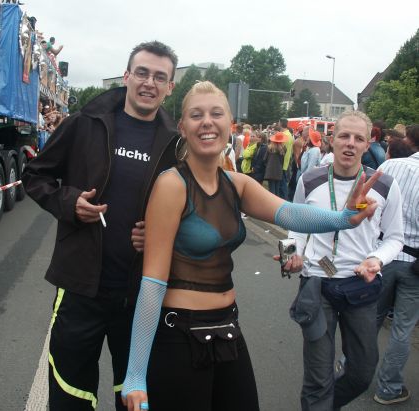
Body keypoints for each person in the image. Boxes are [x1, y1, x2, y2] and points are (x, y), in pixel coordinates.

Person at [121, 83, 382, 411]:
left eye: (216, 113)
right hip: (179, 335)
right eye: (196, 115)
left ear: (229, 123)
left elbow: (289, 213)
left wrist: (344, 218)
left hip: (228, 326)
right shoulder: (172, 184)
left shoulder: (237, 184)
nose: (207, 121)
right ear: (182, 127)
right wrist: (135, 375)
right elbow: (153, 281)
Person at [22, 41, 179, 411]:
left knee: (135, 397)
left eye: (160, 77)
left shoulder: (176, 143)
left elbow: (191, 209)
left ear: (170, 87)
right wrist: (70, 203)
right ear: (126, 76)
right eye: (142, 73)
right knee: (71, 396)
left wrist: (158, 236)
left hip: (140, 295)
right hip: (80, 288)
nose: (149, 83)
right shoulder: (85, 123)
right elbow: (35, 175)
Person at [282, 110, 404, 411]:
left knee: (362, 372)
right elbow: (296, 224)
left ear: (367, 144)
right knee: (318, 377)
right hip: (317, 282)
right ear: (332, 139)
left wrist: (376, 258)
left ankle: (322, 404)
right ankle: (319, 402)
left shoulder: (384, 184)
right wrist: (292, 253)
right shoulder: (310, 180)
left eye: (358, 138)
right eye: (344, 136)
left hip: (359, 287)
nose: (350, 143)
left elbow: (395, 237)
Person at [374, 124, 419, 405]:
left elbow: (369, 205)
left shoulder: (390, 166)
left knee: (370, 318)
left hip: (383, 254)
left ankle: (351, 369)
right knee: (403, 328)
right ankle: (388, 388)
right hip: (414, 263)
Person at [264, 131, 287, 196]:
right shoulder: (284, 149)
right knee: (277, 189)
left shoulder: (269, 148)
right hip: (279, 170)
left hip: (270, 170)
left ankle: (272, 201)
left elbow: (265, 159)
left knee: (271, 189)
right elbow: (282, 160)